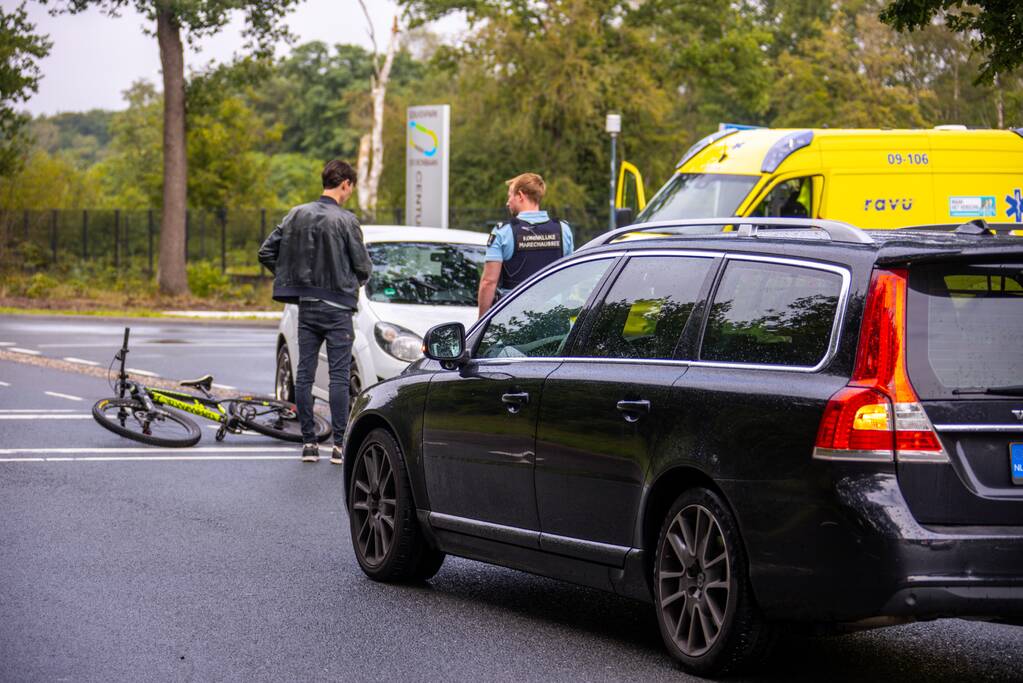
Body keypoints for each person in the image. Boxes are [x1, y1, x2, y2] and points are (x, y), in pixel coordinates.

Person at [258, 160, 372, 464]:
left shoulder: (296, 214)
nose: (349, 194)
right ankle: (338, 446)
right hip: (338, 308)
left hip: (307, 306)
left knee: (304, 374)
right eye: (351, 188)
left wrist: (289, 276)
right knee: (338, 376)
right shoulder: (347, 221)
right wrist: (353, 282)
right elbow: (362, 266)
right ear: (345, 184)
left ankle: (308, 443)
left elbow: (266, 251)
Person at [478, 173, 573, 317]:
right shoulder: (563, 229)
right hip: (553, 317)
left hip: (514, 320)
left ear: (520, 195)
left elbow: (488, 282)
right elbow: (570, 276)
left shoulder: (504, 232)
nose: (507, 202)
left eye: (510, 195)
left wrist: (481, 322)